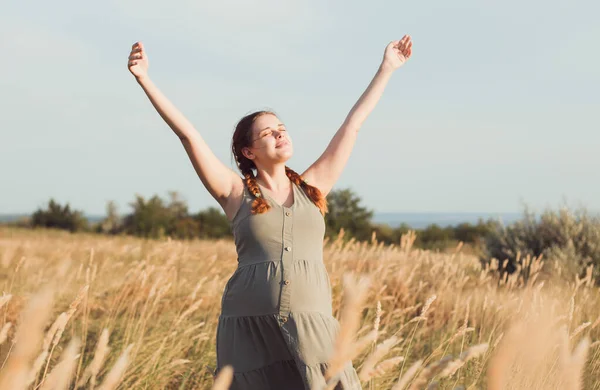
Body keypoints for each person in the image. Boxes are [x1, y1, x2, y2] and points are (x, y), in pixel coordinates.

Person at [127, 35, 413, 390]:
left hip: (313, 322)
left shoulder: (313, 188)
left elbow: (352, 125)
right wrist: (144, 79)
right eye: (268, 133)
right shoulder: (235, 192)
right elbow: (189, 136)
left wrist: (386, 68)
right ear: (249, 151)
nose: (280, 135)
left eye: (282, 129)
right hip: (249, 330)